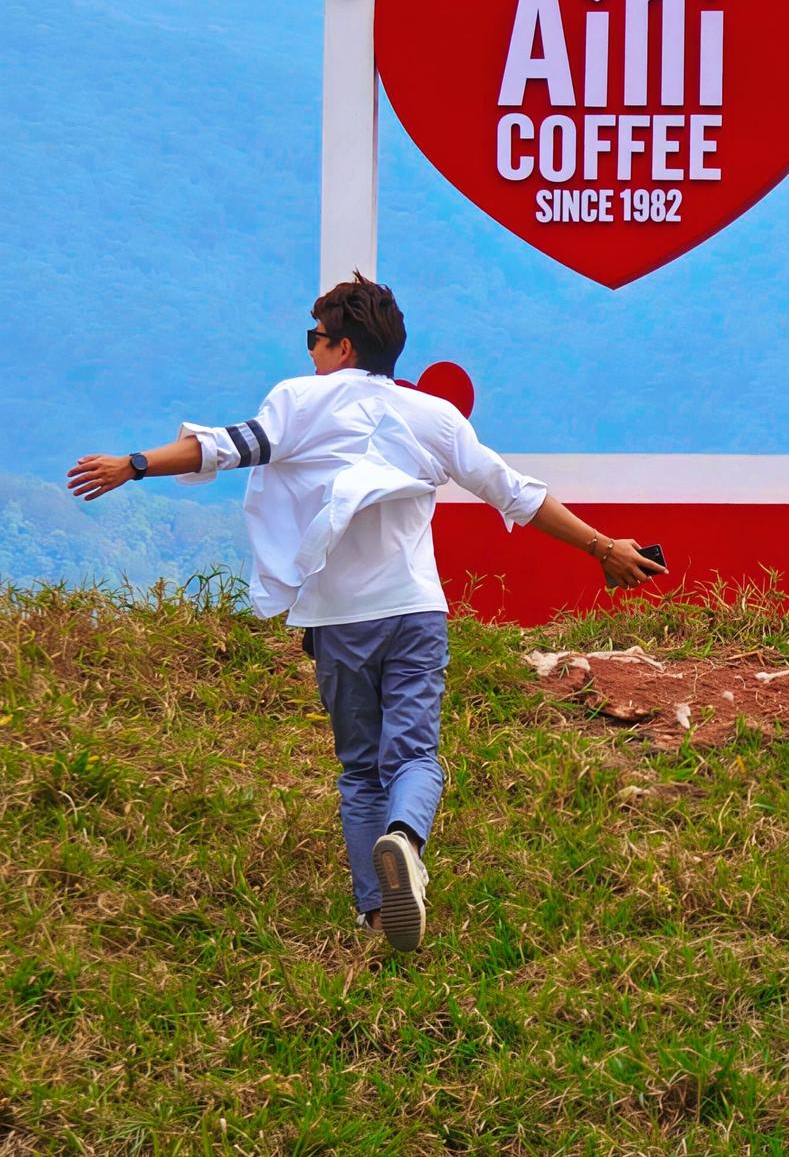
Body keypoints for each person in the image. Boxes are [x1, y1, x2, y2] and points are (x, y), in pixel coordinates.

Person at [66, 272, 666, 950]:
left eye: (315, 340)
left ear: (344, 347)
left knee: (359, 768)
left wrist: (134, 463)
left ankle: (379, 915)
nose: (311, 354)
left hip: (337, 618)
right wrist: (601, 547)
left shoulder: (300, 402)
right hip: (412, 611)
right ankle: (405, 840)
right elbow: (514, 494)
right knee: (415, 755)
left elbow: (226, 447)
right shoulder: (433, 415)